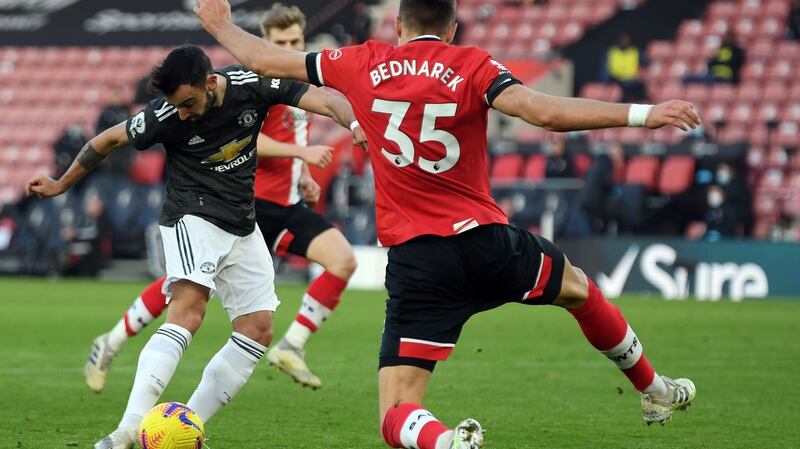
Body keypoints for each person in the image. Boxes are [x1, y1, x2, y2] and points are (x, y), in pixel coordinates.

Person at [195, 1, 702, 448]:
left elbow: (260, 59)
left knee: (397, 415)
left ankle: (451, 443)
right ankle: (655, 391)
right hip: (489, 243)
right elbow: (543, 113)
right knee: (580, 290)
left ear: (397, 25)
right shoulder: (473, 64)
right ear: (454, 27)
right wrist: (645, 113)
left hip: (420, 263)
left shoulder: (361, 61)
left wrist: (219, 23)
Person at [26, 44, 360, 449]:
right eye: (176, 105)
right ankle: (128, 430)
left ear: (210, 82)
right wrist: (63, 183)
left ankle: (184, 431)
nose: (181, 112)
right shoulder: (166, 115)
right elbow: (108, 140)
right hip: (192, 216)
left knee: (257, 329)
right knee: (189, 311)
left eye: (187, 102)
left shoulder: (249, 84)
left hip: (241, 220)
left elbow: (321, 97)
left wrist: (355, 123)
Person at [83, 3, 358, 396]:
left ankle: (292, 345)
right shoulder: (252, 82)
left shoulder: (296, 84)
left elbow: (294, 137)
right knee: (187, 290)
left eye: (296, 40)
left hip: (285, 205)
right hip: (244, 204)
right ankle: (111, 340)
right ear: (265, 44)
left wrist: (304, 173)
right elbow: (246, 141)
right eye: (282, 42)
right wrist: (301, 156)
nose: (291, 47)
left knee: (342, 260)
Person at [604, 33, 647, 102]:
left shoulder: (636, 51)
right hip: (616, 81)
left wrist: (641, 73)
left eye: (626, 40)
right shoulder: (612, 52)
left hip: (634, 82)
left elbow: (646, 65)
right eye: (623, 40)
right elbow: (605, 70)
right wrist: (607, 84)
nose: (624, 42)